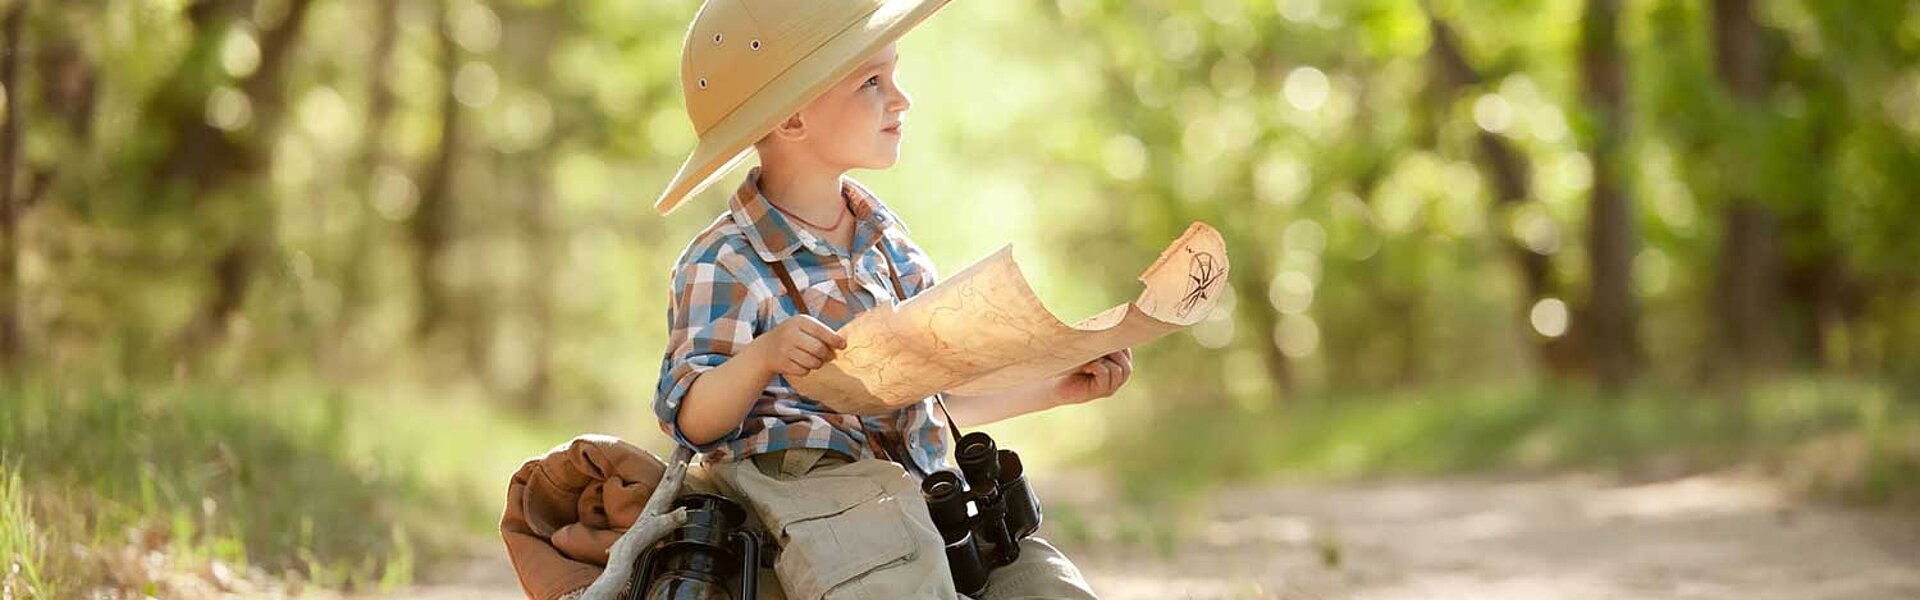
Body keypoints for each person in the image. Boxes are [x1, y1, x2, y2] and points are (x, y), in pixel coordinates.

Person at [652, 1, 1132, 598]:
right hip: (812, 500)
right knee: (898, 567)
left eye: (893, 74)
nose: (901, 99)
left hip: (920, 495)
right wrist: (764, 356)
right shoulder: (723, 261)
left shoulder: (889, 245)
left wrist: (1055, 385)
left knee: (1045, 585)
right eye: (872, 82)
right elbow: (693, 421)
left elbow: (933, 393)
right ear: (792, 118)